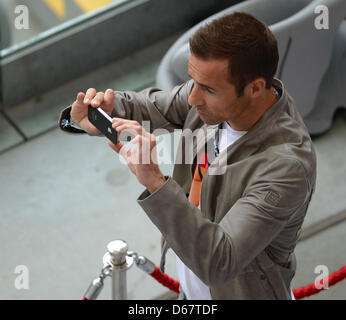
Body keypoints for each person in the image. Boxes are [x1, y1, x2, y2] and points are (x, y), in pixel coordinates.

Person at [59, 12, 316, 300]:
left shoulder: (287, 167)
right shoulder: (219, 101)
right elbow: (148, 107)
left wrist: (155, 182)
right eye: (193, 81)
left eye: (207, 89)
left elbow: (220, 262)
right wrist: (95, 112)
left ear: (255, 88)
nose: (193, 98)